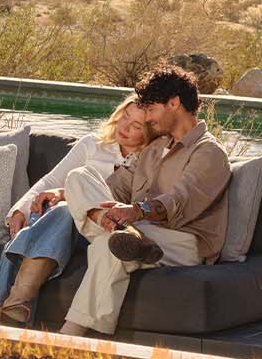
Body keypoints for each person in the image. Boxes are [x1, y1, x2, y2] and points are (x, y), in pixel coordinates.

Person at [58, 65, 231, 337]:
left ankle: (70, 336)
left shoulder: (208, 152)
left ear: (174, 103)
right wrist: (69, 192)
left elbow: (178, 201)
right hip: (141, 231)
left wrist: (135, 212)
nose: (148, 117)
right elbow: (112, 188)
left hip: (183, 241)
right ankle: (123, 234)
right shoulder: (155, 148)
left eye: (151, 109)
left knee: (108, 245)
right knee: (81, 175)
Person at [0, 96, 148, 326]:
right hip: (60, 225)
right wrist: (19, 210)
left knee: (63, 210)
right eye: (125, 117)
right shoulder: (93, 144)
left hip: (98, 230)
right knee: (56, 215)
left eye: (137, 126)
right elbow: (52, 179)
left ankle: (3, 308)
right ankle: (12, 309)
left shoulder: (149, 160)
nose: (125, 127)